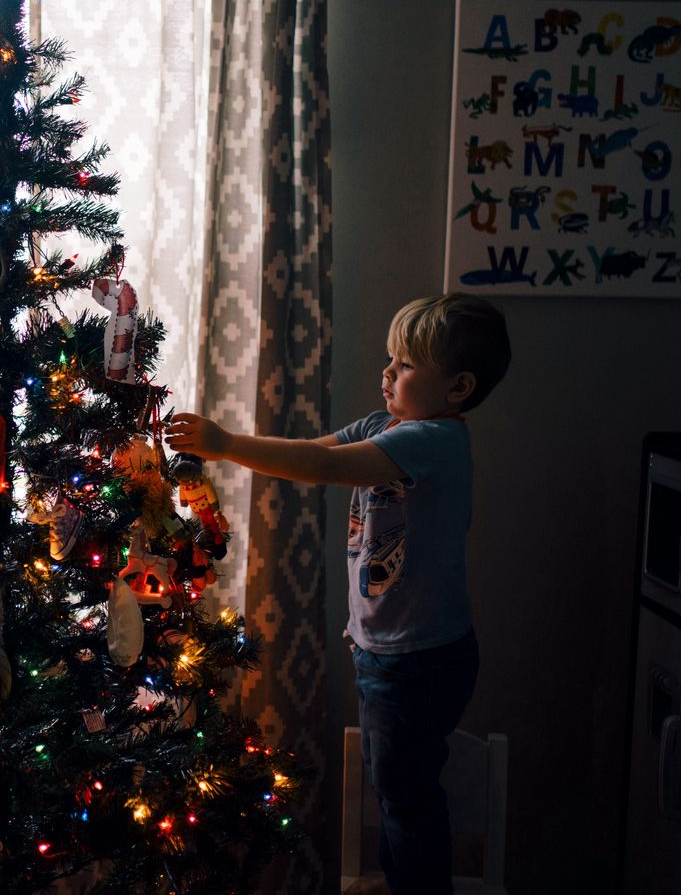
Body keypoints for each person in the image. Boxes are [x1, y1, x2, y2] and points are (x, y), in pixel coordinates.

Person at [166, 294, 511, 895]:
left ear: (458, 387)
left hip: (419, 658)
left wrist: (225, 445)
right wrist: (229, 445)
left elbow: (320, 469)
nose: (387, 374)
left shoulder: (433, 442)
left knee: (405, 796)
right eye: (390, 359)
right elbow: (318, 452)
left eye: (404, 366)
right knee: (397, 787)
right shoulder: (387, 426)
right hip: (389, 651)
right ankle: (406, 880)